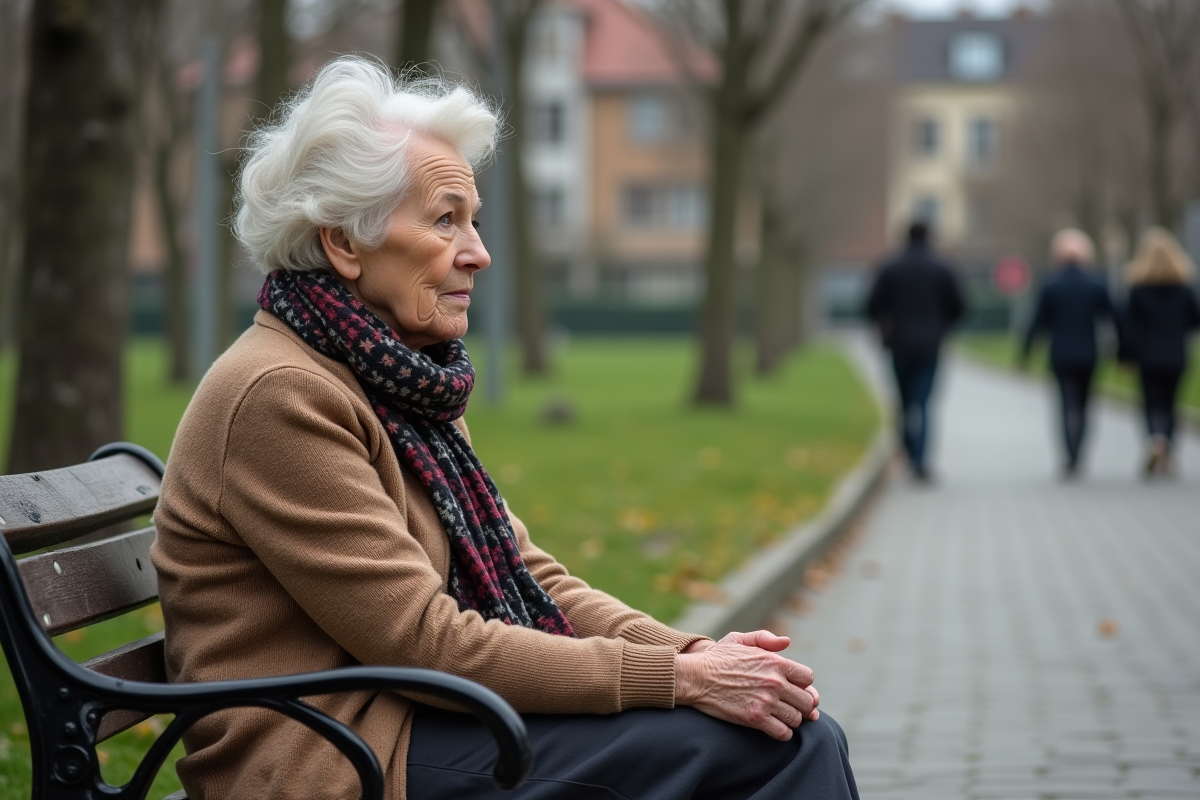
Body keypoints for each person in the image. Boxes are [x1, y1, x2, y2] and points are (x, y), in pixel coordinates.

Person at [149, 57, 858, 800]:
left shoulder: (394, 378)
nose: (479, 253)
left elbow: (526, 576)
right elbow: (424, 641)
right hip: (332, 756)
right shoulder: (281, 394)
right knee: (775, 751)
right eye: (445, 219)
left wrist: (693, 654)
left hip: (408, 719)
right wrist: (677, 679)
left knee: (787, 733)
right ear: (344, 243)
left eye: (474, 221)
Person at [865, 220, 966, 481]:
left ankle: (909, 453)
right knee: (923, 403)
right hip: (931, 345)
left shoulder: (890, 267)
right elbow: (959, 307)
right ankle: (921, 460)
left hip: (899, 344)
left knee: (903, 402)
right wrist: (942, 327)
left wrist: (884, 325)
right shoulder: (942, 268)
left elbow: (872, 305)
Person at [1020, 228, 1119, 477]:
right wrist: (1123, 349)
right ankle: (1079, 452)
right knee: (1084, 405)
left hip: (1061, 354)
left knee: (1066, 405)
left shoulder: (1051, 284)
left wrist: (1026, 352)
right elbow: (1113, 317)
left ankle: (1069, 455)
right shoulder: (1096, 283)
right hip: (1088, 353)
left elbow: (1038, 321)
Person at [1120, 227, 1200, 476]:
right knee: (1171, 404)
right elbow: (1195, 320)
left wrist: (1125, 356)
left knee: (1151, 403)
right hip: (1176, 355)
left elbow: (1129, 326)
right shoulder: (1184, 289)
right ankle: (1168, 449)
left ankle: (1156, 439)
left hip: (1148, 355)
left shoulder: (1138, 290)